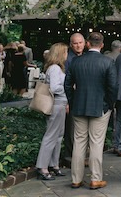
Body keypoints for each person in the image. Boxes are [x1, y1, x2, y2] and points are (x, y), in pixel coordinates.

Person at [64, 32, 116, 190]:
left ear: (87, 44)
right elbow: (113, 87)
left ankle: (76, 179)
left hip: (79, 106)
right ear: (102, 44)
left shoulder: (76, 62)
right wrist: (108, 105)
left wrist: (73, 101)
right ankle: (95, 178)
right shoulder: (107, 62)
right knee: (96, 144)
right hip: (99, 107)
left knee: (79, 143)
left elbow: (67, 85)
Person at [35, 43, 69, 180]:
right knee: (51, 135)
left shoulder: (55, 68)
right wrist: (69, 88)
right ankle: (43, 167)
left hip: (60, 103)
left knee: (58, 135)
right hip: (56, 104)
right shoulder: (55, 68)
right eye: (66, 52)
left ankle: (53, 164)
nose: (67, 55)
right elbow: (55, 88)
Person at [63, 33, 86, 160]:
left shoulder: (85, 57)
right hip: (72, 98)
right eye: (75, 43)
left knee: (80, 129)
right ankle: (69, 157)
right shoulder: (68, 59)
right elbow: (65, 82)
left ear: (84, 43)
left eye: (80, 43)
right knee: (71, 129)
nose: (78, 46)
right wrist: (67, 102)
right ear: (71, 45)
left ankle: (78, 156)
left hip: (82, 98)